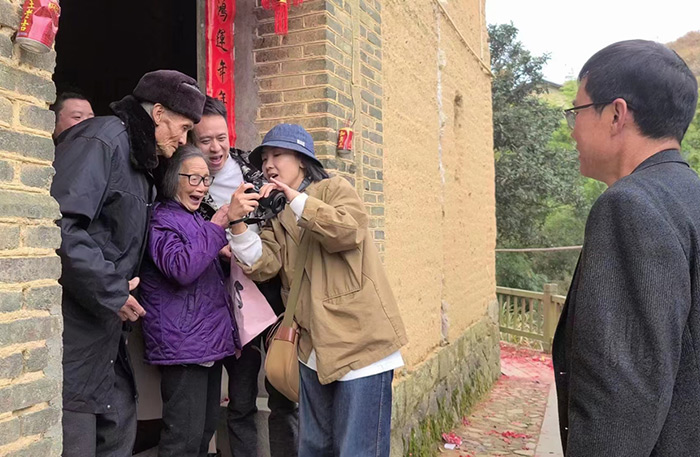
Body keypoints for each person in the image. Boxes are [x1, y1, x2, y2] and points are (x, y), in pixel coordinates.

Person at [553, 40, 700, 456]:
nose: (573, 129)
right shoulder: (689, 195)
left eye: (577, 112)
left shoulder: (630, 207)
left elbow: (619, 398)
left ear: (617, 114)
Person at [227, 123, 408, 457]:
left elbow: (348, 231)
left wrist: (297, 201)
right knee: (314, 448)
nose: (268, 164)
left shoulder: (334, 189)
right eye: (264, 158)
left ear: (302, 159)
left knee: (357, 450)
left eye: (277, 155)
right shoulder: (277, 215)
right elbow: (264, 264)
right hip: (311, 349)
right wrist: (237, 223)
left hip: (359, 344)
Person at [51, 70, 205, 457]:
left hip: (109, 334)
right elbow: (61, 226)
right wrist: (113, 291)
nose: (184, 141)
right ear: (158, 113)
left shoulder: (139, 163)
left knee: (120, 430)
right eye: (184, 128)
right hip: (80, 330)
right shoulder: (101, 141)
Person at [189, 96, 299, 457]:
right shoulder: (186, 181)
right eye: (205, 140)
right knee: (234, 398)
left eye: (221, 137)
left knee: (278, 391)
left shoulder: (253, 170)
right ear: (191, 140)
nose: (215, 148)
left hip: (270, 293)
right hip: (221, 299)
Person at [138, 145, 241, 457]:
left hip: (205, 343)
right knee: (182, 439)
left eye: (206, 180)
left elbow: (199, 268)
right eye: (194, 178)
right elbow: (181, 268)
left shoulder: (193, 217)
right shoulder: (161, 219)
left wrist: (220, 256)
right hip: (183, 345)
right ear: (173, 179)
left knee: (203, 432)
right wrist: (218, 226)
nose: (202, 187)